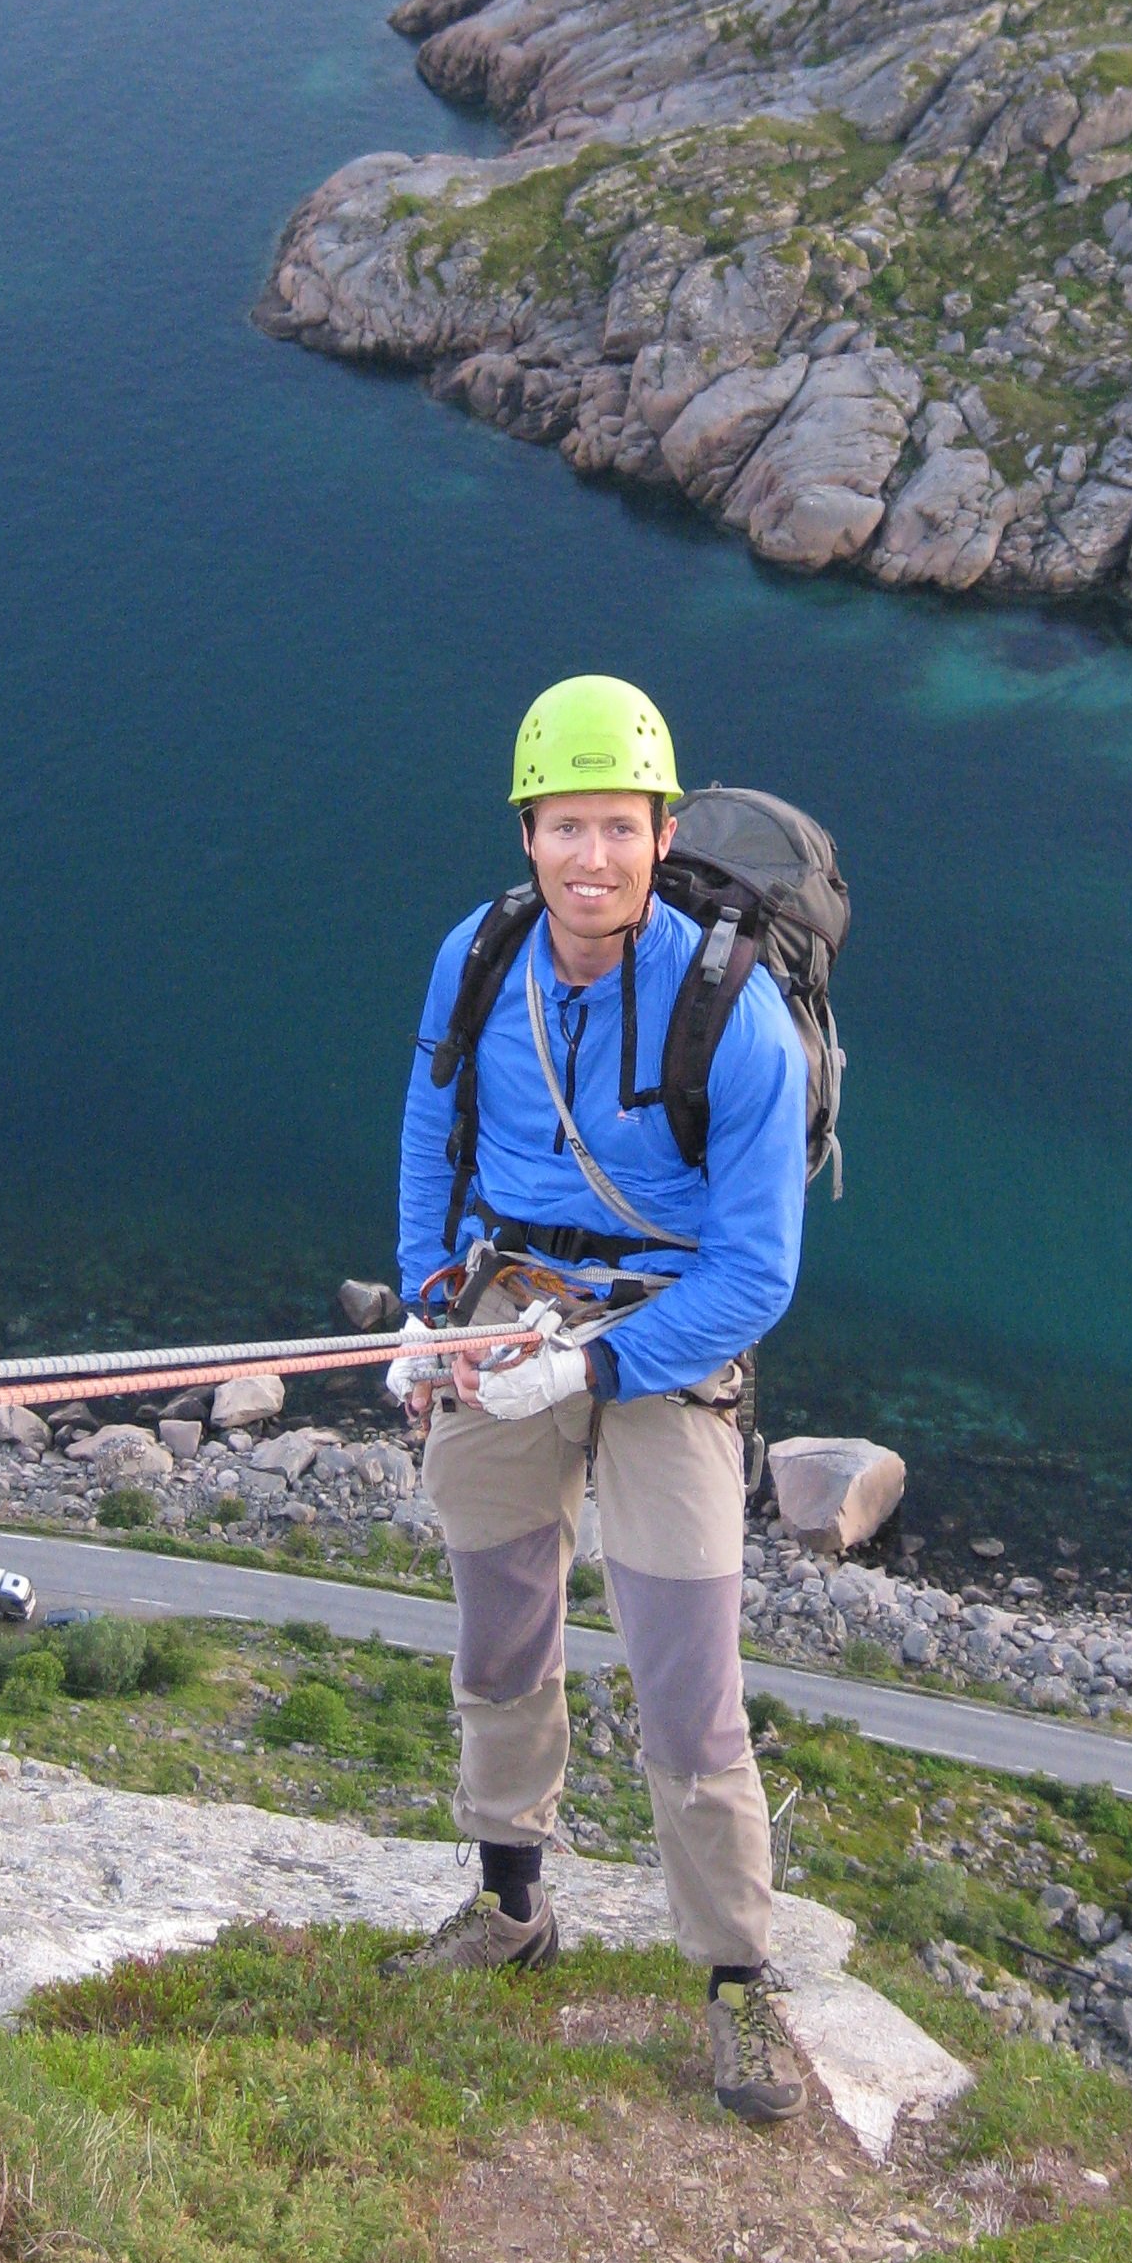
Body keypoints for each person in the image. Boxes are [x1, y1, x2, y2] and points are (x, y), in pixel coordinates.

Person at [383, 675, 810, 2126]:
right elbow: (430, 1119)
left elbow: (755, 1272)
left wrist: (603, 1361)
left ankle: (742, 1982)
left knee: (686, 1674)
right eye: (567, 827)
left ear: (663, 830)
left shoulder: (734, 1016)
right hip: (509, 1299)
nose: (593, 858)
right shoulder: (483, 955)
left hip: (667, 1330)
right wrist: (434, 1303)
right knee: (503, 1625)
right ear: (528, 832)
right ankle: (511, 1904)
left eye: (620, 829)